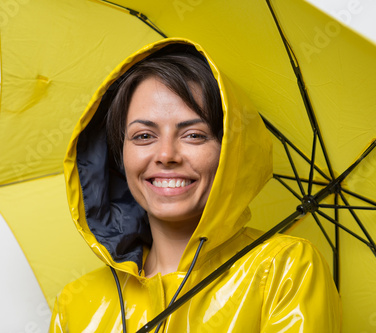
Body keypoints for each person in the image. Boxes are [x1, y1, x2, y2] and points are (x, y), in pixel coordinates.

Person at [49, 38, 341, 332]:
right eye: (143, 136)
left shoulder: (284, 269)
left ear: (230, 150)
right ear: (118, 156)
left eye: (194, 135)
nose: (166, 155)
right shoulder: (74, 304)